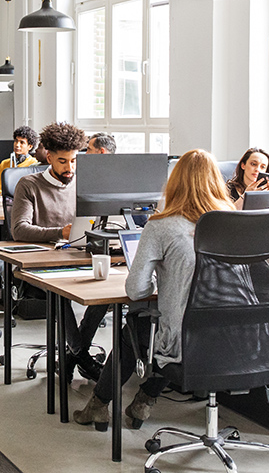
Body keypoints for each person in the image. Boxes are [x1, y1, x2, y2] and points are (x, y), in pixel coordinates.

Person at [73, 148, 235, 431]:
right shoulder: (239, 223)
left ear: (173, 182)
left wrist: (162, 284)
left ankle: (98, 406)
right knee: (169, 327)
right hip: (238, 339)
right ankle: (143, 402)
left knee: (136, 328)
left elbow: (135, 291)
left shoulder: (161, 225)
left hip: (184, 342)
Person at [11, 122, 107, 382]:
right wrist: (60, 233)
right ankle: (83, 357)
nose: (69, 168)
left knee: (108, 291)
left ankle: (72, 356)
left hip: (79, 256)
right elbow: (19, 230)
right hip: (40, 264)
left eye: (74, 161)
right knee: (59, 294)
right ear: (49, 157)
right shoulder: (28, 185)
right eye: (63, 162)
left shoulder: (84, 183)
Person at [0, 125, 40, 195]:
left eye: (22, 142)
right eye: (16, 141)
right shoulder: (4, 163)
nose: (17, 145)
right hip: (0, 200)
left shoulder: (33, 164)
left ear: (29, 146)